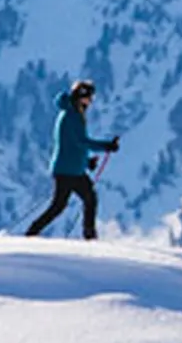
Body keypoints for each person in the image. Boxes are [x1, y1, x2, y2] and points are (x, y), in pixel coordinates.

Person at [22, 81, 118, 238]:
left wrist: (86, 162)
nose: (91, 101)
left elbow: (72, 144)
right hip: (68, 171)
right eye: (89, 97)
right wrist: (106, 146)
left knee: (86, 200)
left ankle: (88, 235)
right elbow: (81, 141)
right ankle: (32, 232)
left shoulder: (72, 113)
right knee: (62, 205)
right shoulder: (72, 116)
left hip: (72, 169)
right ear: (81, 97)